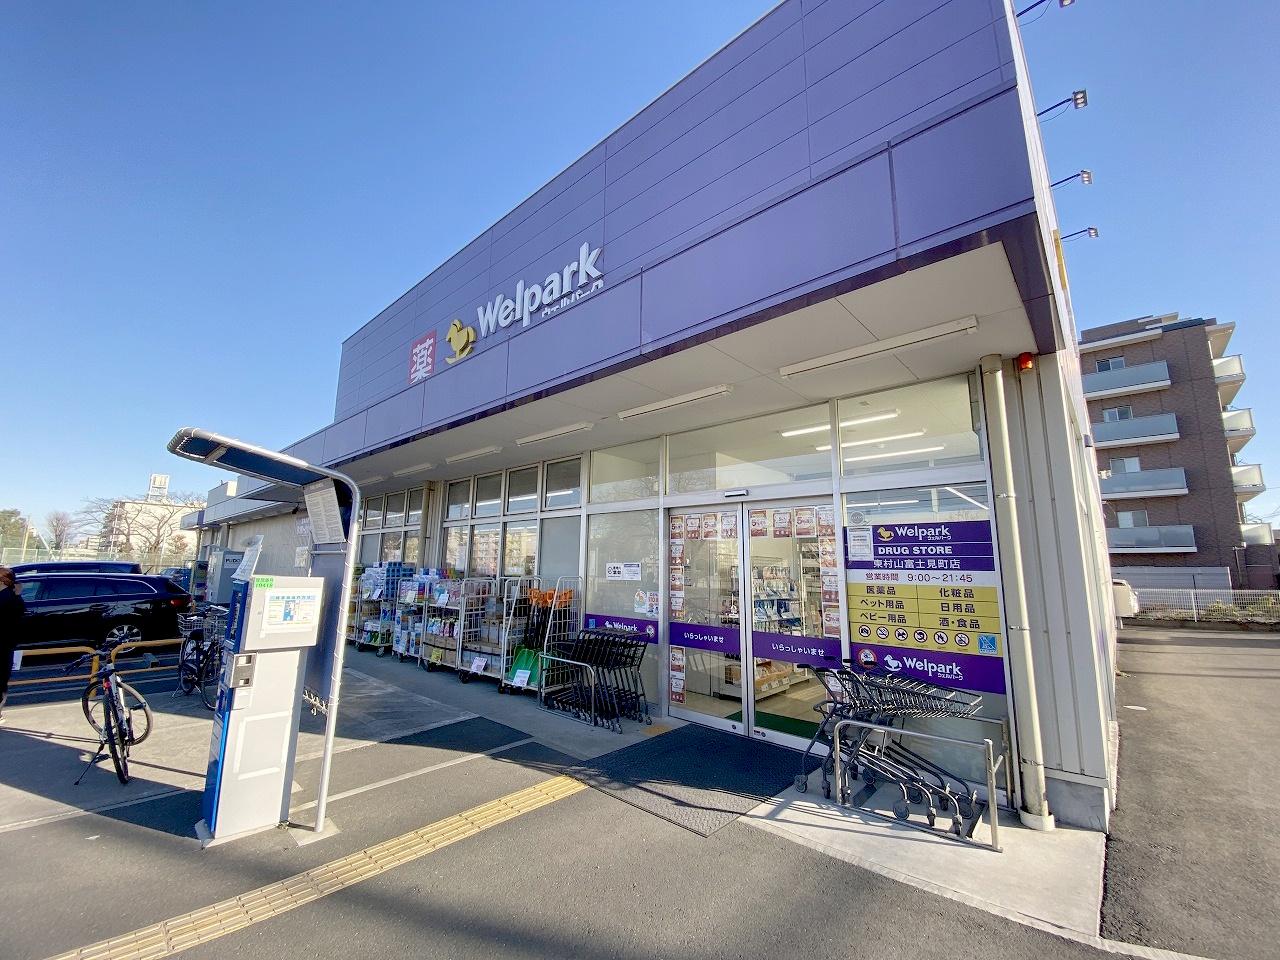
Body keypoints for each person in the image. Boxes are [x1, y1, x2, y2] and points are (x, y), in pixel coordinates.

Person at [0, 566, 27, 723]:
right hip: (7, 645)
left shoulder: (5, 598)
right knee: (2, 680)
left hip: (3, 644)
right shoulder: (12, 596)